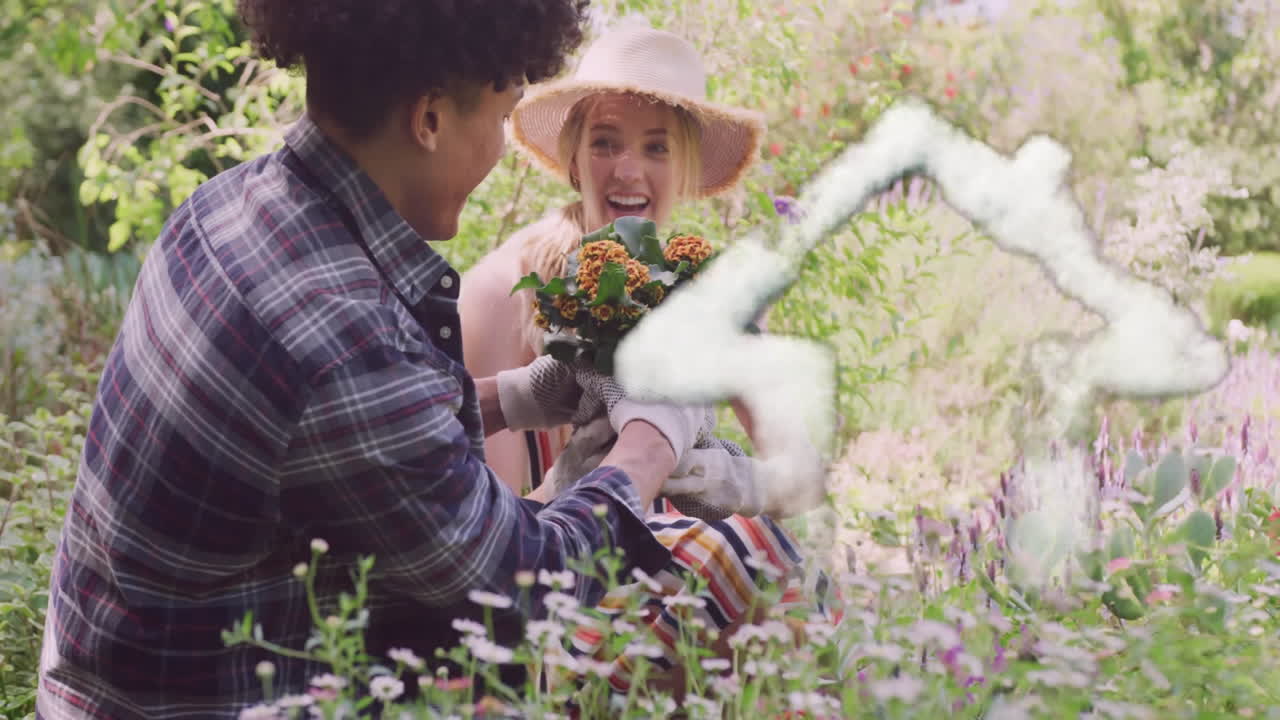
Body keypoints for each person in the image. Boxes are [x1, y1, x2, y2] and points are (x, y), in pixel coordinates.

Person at [35, 3, 721, 717]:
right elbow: (524, 584)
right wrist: (651, 438)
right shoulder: (340, 336)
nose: (497, 152)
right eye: (496, 119)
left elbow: (352, 433)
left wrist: (517, 395)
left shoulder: (227, 207)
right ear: (428, 120)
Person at [459, 21, 836, 696]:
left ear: (686, 170)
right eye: (606, 143)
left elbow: (802, 475)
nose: (628, 170)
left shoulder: (709, 294)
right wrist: (605, 478)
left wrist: (718, 475)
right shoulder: (514, 285)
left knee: (770, 566)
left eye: (656, 148)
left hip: (695, 585)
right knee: (739, 561)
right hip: (563, 577)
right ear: (574, 158)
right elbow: (493, 519)